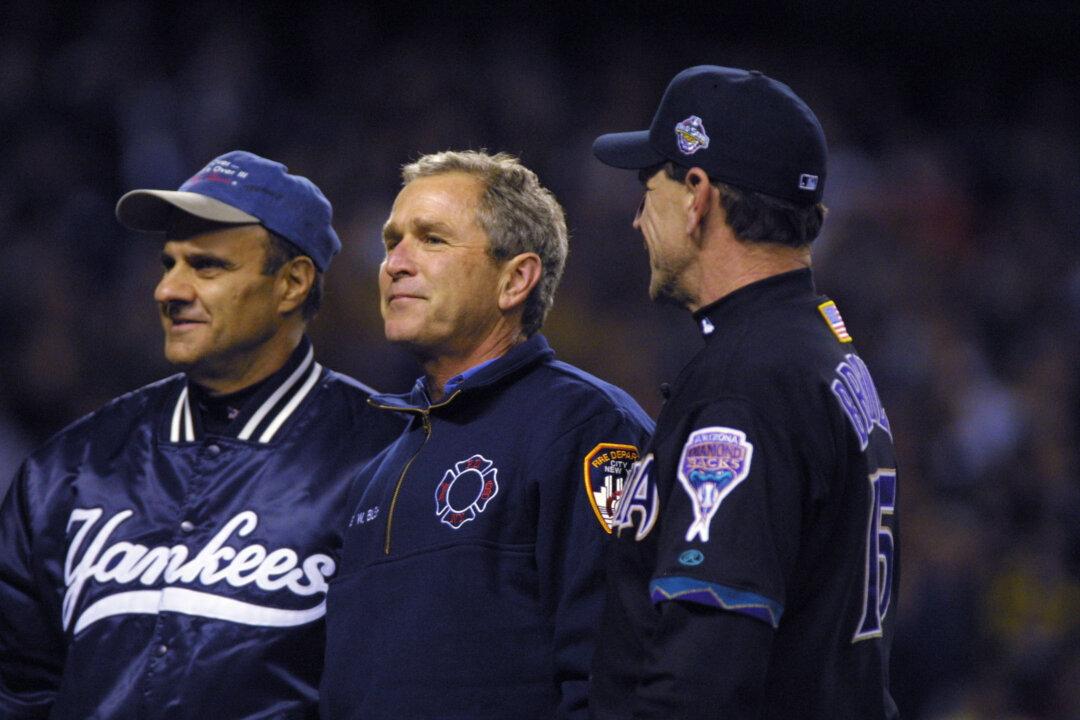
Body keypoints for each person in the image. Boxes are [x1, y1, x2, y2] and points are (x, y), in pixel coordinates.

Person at [0, 150, 403, 719]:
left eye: (206, 266)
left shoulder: (387, 457)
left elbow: (412, 684)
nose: (169, 290)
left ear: (291, 283)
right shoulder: (72, 466)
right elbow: (18, 687)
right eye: (169, 264)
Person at [588, 66, 901, 718]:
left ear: (697, 194)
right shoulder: (822, 353)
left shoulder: (747, 384)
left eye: (649, 187)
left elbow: (702, 679)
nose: (638, 220)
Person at [319, 150, 653, 720]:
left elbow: (612, 673)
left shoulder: (586, 427)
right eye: (391, 241)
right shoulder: (378, 470)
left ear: (515, 279)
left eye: (431, 239)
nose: (395, 263)